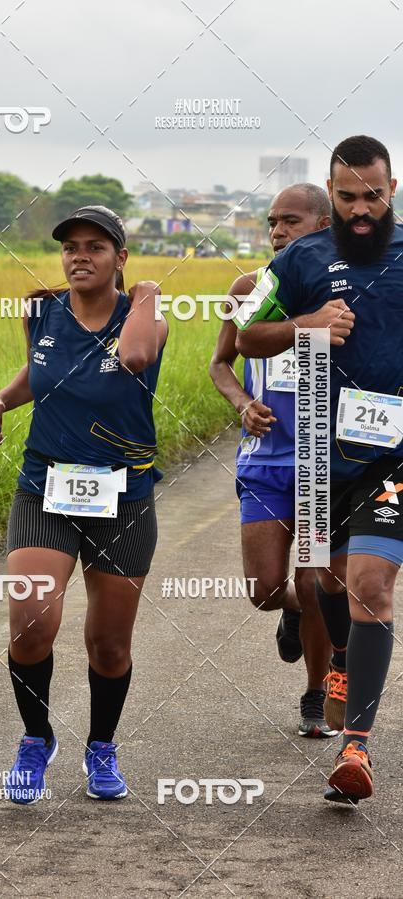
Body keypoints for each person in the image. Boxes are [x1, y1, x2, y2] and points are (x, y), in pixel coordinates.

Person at [0, 205, 167, 803]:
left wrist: (146, 294)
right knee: (31, 625)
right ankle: (36, 740)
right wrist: (2, 401)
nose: (80, 256)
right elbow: (41, 373)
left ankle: (101, 748)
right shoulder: (40, 311)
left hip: (124, 495)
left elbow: (133, 358)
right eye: (70, 247)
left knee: (108, 644)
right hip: (46, 486)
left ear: (120, 257)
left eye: (96, 247)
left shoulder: (149, 317)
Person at [236, 135, 401, 804]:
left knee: (370, 586)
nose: (361, 210)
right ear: (330, 196)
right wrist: (305, 322)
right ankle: (337, 659)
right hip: (318, 455)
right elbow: (247, 334)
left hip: (393, 459)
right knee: (324, 581)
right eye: (347, 197)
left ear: (393, 190)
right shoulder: (302, 258)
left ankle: (355, 747)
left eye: (373, 196)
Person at [209, 184, 334, 738]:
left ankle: (315, 692)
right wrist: (242, 404)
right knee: (264, 590)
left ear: (324, 226)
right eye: (272, 221)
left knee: (315, 584)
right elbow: (220, 364)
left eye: (291, 221)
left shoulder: (345, 293)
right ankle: (293, 610)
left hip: (322, 464)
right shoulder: (248, 288)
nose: (278, 231)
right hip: (264, 462)